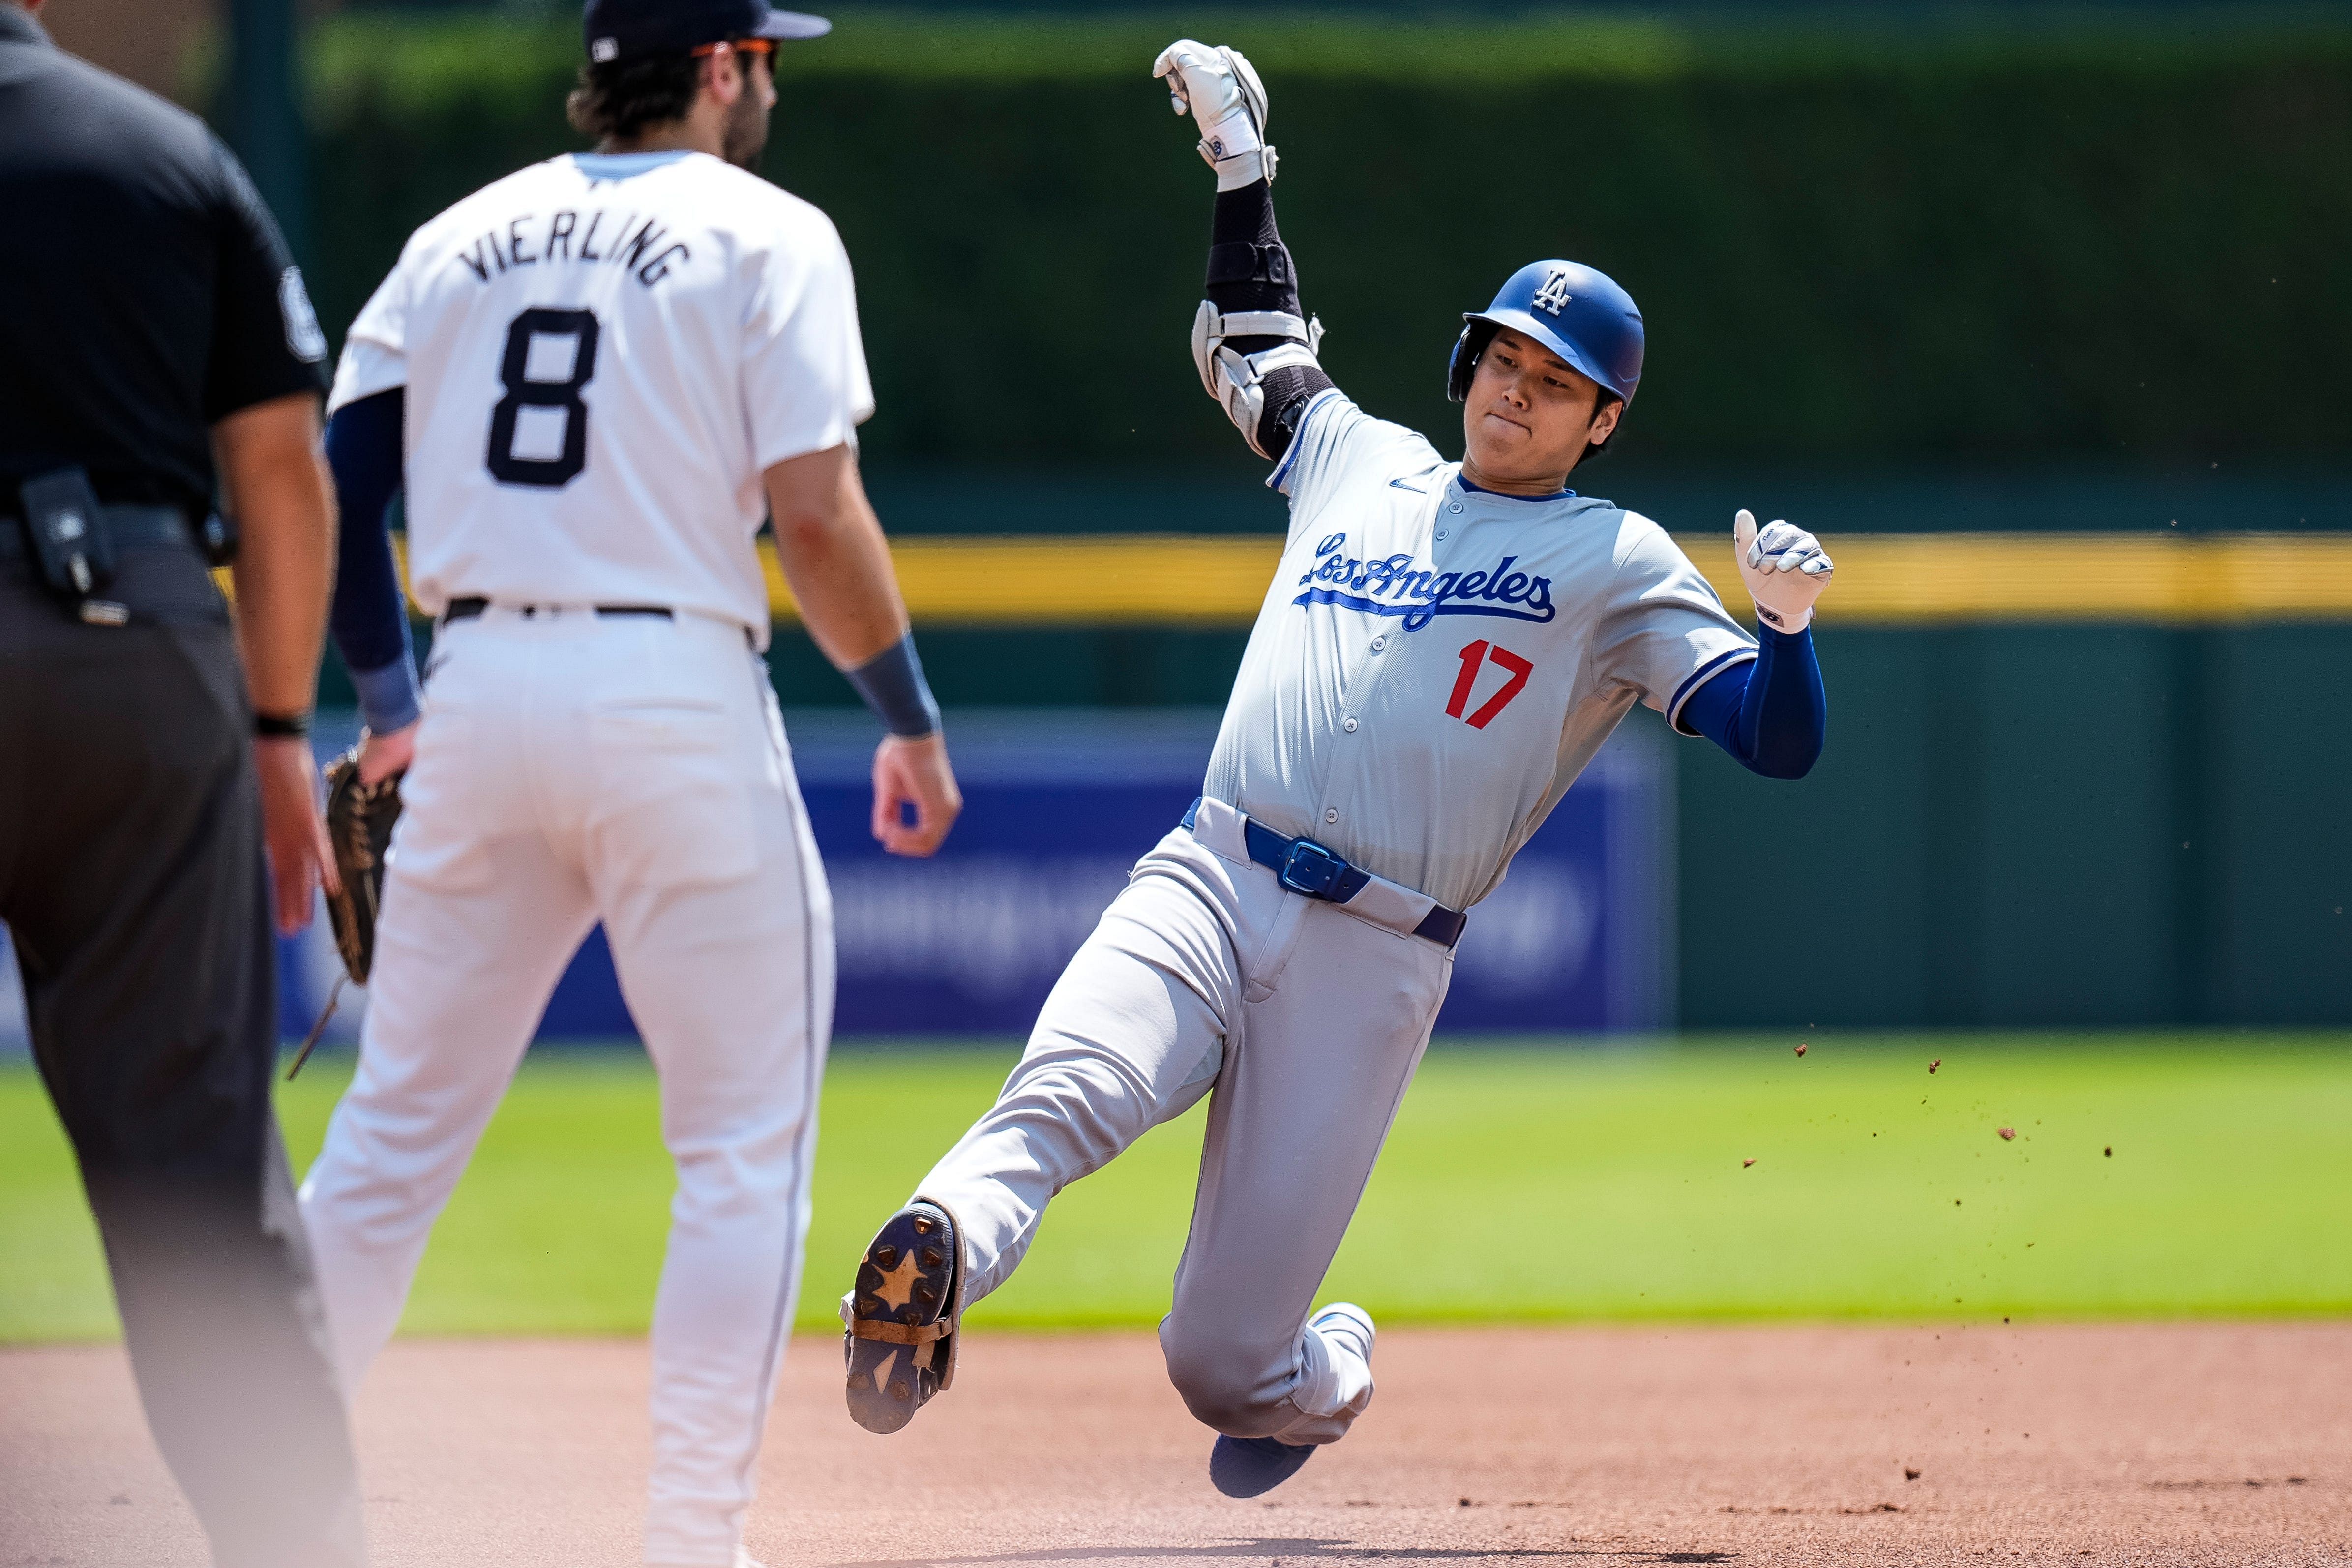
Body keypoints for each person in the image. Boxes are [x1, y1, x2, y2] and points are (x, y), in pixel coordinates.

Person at [839, 39, 1834, 1499]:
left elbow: (1773, 738)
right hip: (1215, 867)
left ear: (1603, 421)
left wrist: (1788, 631)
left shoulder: (1616, 564)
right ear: (1467, 361)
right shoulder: (1359, 458)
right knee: (1068, 1092)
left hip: (1375, 955)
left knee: (1221, 1364)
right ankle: (931, 1258)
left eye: (1555, 383)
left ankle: (1330, 1361)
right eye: (1503, 357)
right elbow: (1255, 344)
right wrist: (1244, 177)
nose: (1516, 391)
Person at [294, 0, 962, 1562]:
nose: (769, 81)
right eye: (767, 58)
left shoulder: (454, 236)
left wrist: (389, 702)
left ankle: (254, 1496)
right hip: (672, 690)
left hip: (477, 687)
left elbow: (336, 481)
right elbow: (815, 512)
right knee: (736, 1155)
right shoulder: (769, 231)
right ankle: (687, 1542)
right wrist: (908, 716)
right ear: (722, 66)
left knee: (388, 1146)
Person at [0, 1, 366, 1564]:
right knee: (202, 1181)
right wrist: (277, 729)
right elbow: (282, 475)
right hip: (139, 658)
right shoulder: (166, 156)